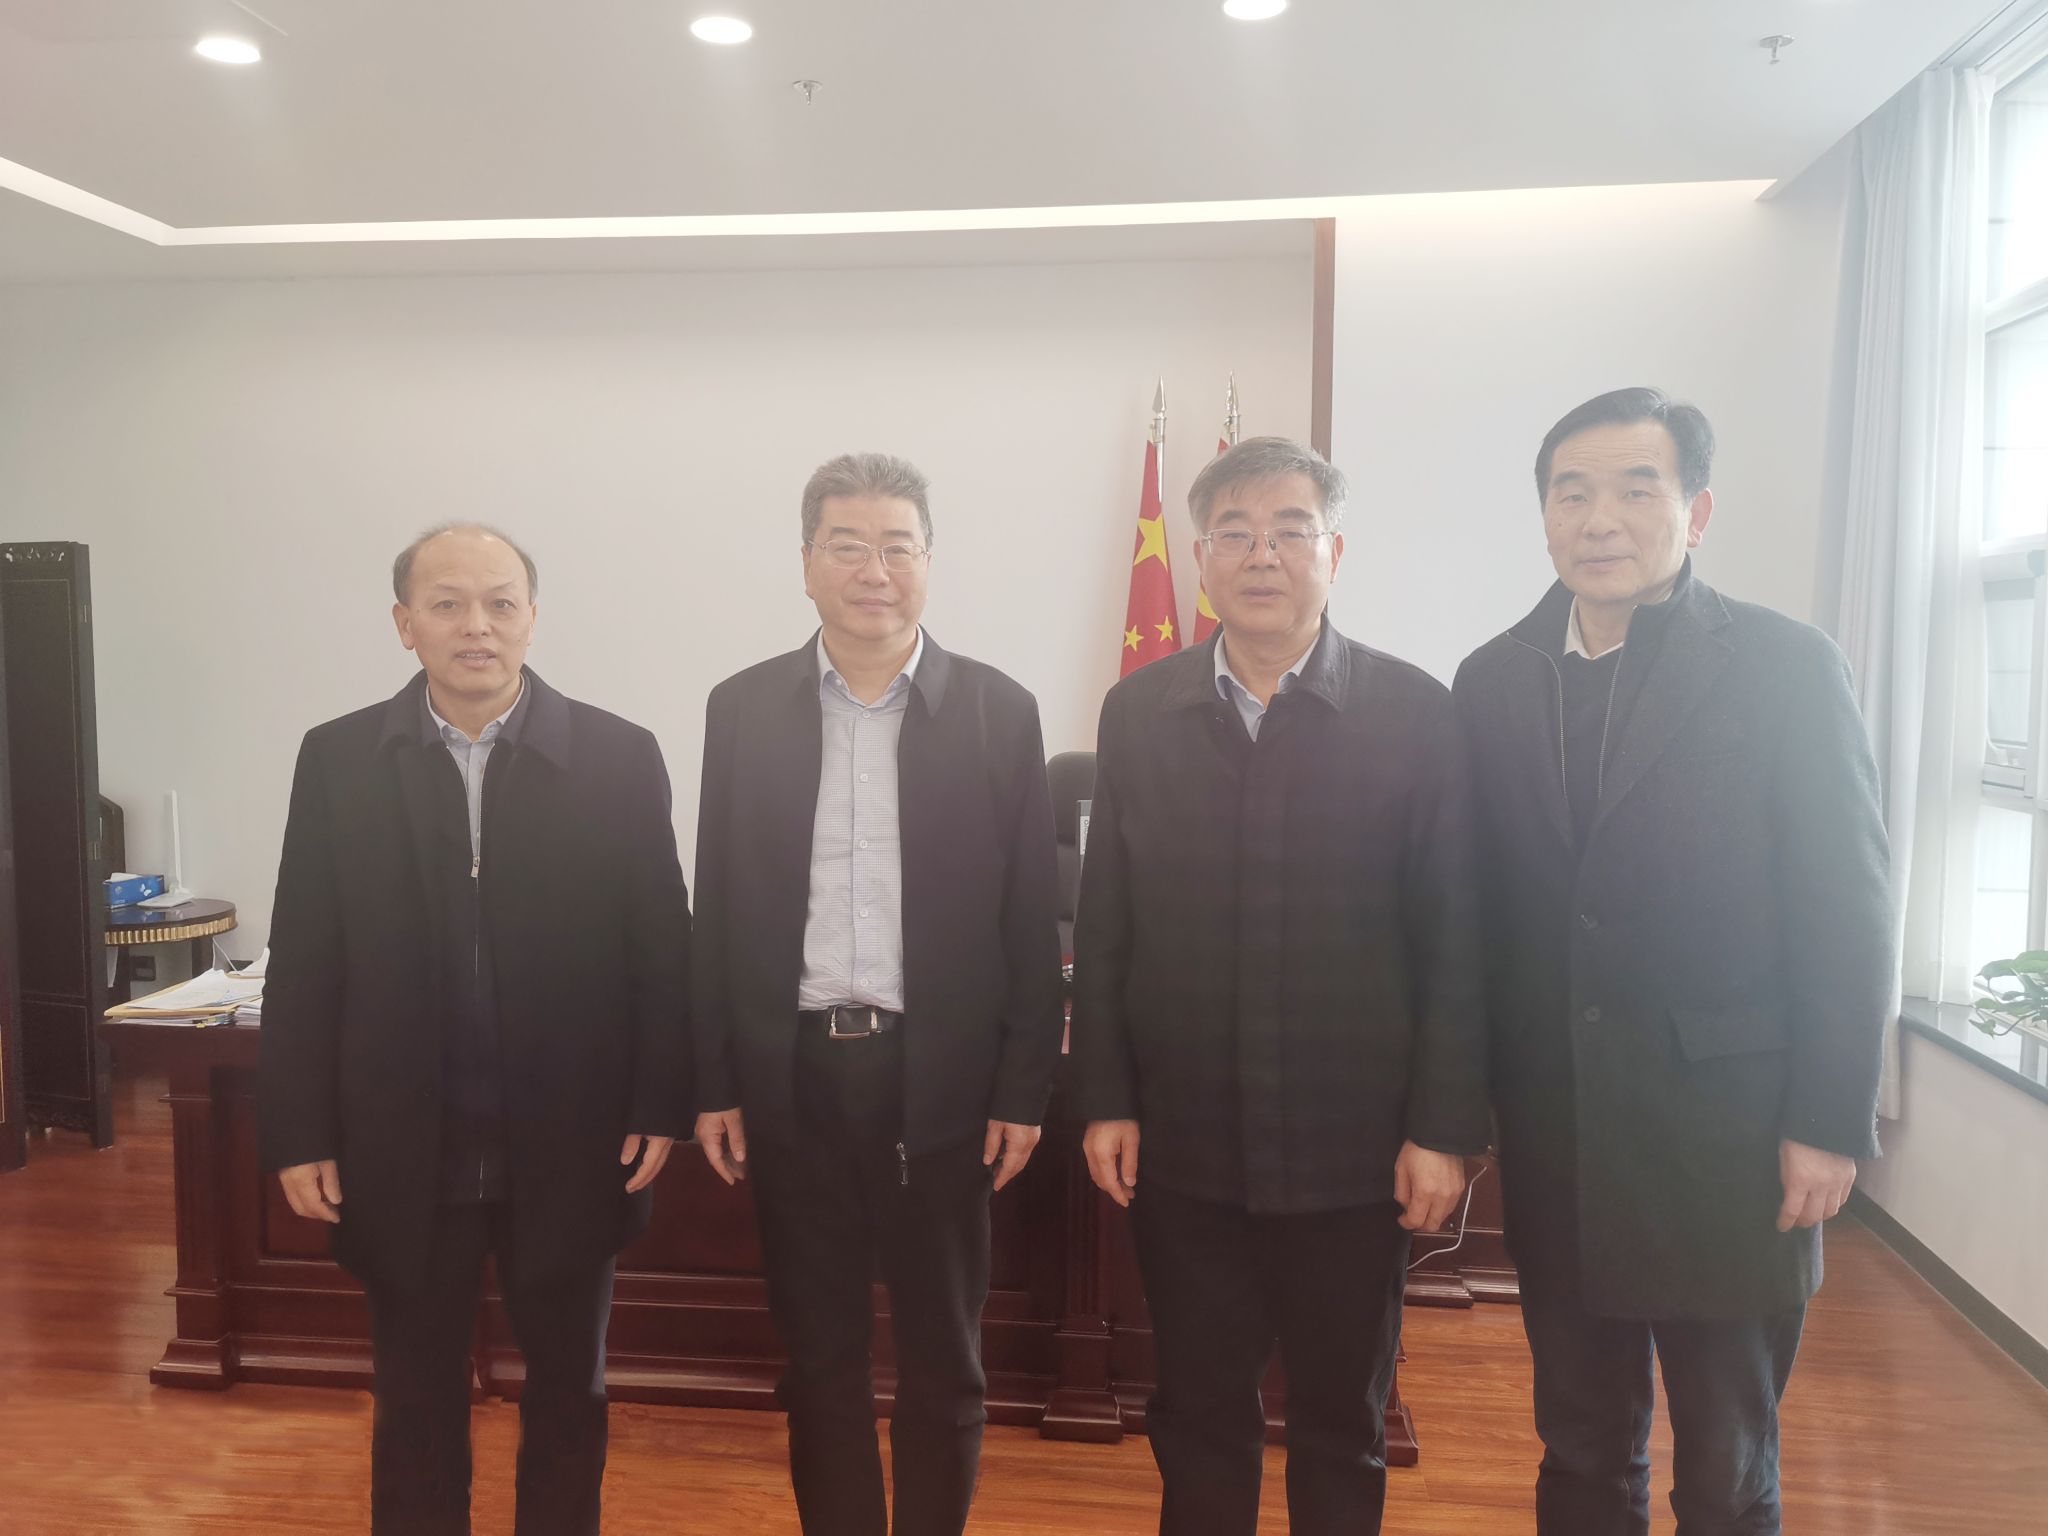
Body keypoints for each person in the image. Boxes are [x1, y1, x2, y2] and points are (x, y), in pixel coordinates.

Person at [1453, 387, 1892, 1536]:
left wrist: (1827, 1119)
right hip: (1561, 1135)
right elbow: (1471, 915)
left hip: (1730, 1144)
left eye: (1633, 489)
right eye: (1570, 493)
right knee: (1581, 1450)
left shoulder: (1784, 665)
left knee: (1726, 1470)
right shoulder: (1491, 678)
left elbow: (1846, 908)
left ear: (1694, 511)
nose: (1598, 519)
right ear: (1543, 515)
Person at [1071, 436, 1490, 1536]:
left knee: (1341, 1422)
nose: (1264, 555)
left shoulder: (1414, 714)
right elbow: (1107, 926)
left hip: (1354, 1155)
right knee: (1196, 1415)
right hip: (1187, 1149)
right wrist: (1106, 1097)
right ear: (1200, 558)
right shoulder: (1139, 712)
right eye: (1237, 534)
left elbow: (1455, 940)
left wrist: (1443, 1131)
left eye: (1291, 530)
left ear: (1333, 553)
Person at [259, 523, 691, 1535]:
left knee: (570, 1390)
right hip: (404, 1140)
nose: (477, 626)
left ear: (533, 618)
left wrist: (660, 1099)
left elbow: (661, 948)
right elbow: (306, 955)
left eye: (500, 603)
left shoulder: (618, 757)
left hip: (573, 1138)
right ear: (404, 624)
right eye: (447, 604)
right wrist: (297, 1130)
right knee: (413, 1396)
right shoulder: (339, 759)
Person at [690, 452, 1063, 1536]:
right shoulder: (742, 707)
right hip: (794, 1077)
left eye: (897, 547)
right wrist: (715, 1080)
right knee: (820, 1357)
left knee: (944, 1355)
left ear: (928, 562)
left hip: (938, 1083)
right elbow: (718, 907)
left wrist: (1023, 1089)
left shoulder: (998, 711)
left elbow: (1028, 922)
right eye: (847, 546)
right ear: (807, 563)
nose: (874, 570)